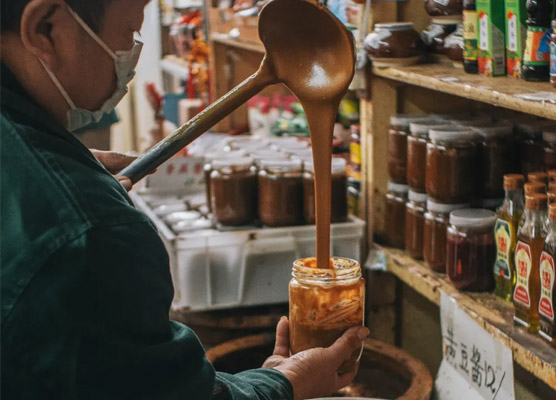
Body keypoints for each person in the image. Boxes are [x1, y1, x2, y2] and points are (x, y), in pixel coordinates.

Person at [0, 1, 369, 399]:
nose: (133, 52)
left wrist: (58, 165)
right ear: (46, 29)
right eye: (128, 33)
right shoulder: (90, 236)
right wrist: (286, 384)